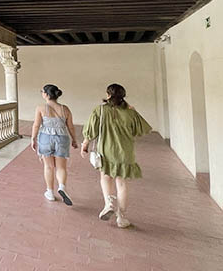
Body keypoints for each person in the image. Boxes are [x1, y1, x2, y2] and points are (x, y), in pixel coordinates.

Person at [81, 83, 152, 228]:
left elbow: (91, 131)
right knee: (122, 183)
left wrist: (85, 145)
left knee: (105, 178)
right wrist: (133, 111)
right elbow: (141, 129)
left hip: (106, 150)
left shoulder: (100, 110)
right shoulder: (130, 112)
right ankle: (122, 217)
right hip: (125, 152)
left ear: (108, 95)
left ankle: (109, 203)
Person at [30, 84, 78, 205]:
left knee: (49, 167)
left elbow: (36, 125)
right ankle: (62, 187)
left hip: (46, 138)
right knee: (61, 167)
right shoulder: (65, 109)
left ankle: (50, 192)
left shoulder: (41, 108)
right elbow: (70, 126)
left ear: (46, 94)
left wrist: (33, 138)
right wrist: (74, 139)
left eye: (42, 91)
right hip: (62, 138)